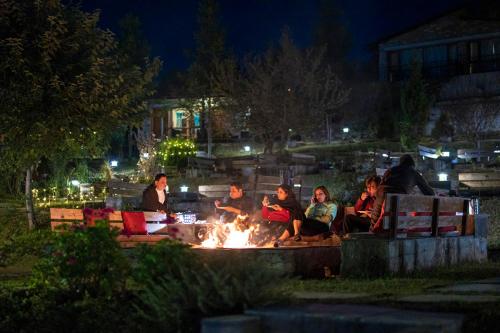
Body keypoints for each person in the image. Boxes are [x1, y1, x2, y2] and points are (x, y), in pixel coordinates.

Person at [370, 154, 435, 231]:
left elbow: (382, 187)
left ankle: (372, 231)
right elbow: (430, 193)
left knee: (375, 223)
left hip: (378, 204)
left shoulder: (390, 170)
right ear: (412, 165)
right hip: (393, 213)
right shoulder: (413, 172)